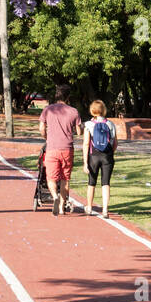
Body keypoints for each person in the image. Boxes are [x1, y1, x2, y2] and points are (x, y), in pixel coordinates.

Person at [39, 84, 82, 215]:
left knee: (51, 178)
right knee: (65, 178)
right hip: (67, 148)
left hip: (52, 147)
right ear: (68, 97)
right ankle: (62, 207)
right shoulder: (74, 111)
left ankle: (55, 197)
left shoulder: (48, 110)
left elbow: (41, 128)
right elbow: (79, 132)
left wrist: (47, 137)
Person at [82, 100, 118, 218]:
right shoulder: (110, 124)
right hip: (107, 156)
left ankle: (89, 207)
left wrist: (85, 162)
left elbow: (86, 144)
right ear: (104, 110)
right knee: (106, 183)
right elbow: (115, 143)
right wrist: (110, 153)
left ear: (92, 110)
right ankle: (105, 210)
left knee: (91, 183)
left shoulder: (89, 124)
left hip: (94, 156)